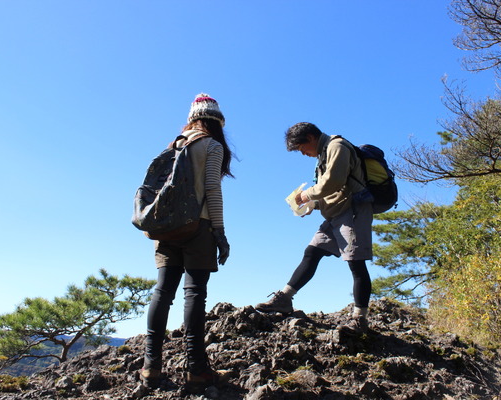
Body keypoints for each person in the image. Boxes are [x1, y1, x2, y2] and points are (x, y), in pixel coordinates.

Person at [141, 93, 233, 388]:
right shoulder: (212, 145)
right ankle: (196, 369)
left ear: (192, 118)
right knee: (194, 295)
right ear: (216, 121)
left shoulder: (174, 145)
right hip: (198, 227)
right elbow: (212, 192)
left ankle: (150, 368)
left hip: (167, 229)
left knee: (162, 292)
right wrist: (219, 232)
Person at [255, 122, 373, 333]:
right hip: (336, 212)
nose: (304, 154)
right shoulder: (324, 153)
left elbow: (334, 181)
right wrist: (315, 204)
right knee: (312, 252)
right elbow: (334, 189)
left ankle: (360, 319)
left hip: (353, 211)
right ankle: (284, 298)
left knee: (356, 263)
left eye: (302, 149)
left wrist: (306, 195)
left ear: (310, 138)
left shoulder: (337, 146)